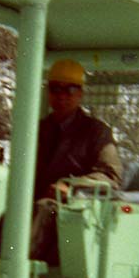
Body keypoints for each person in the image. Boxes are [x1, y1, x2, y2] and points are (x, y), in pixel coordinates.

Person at [30, 59, 123, 263]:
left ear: (80, 93)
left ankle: (20, 269)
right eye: (56, 89)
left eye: (70, 89)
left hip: (74, 206)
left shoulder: (97, 132)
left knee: (45, 208)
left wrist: (70, 187)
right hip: (35, 202)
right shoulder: (37, 129)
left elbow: (110, 176)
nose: (62, 96)